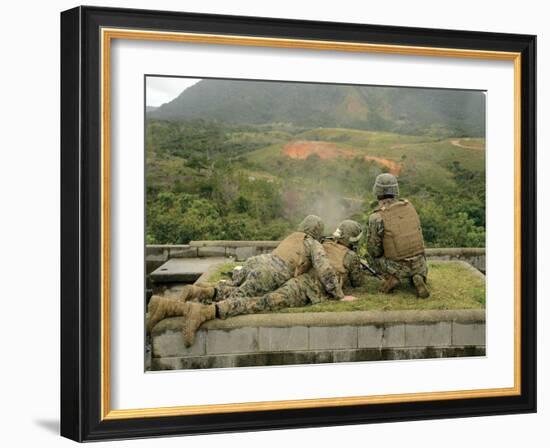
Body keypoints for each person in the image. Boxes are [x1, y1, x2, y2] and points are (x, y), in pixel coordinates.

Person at [146, 220, 365, 347]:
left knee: (251, 298)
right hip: (301, 289)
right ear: (353, 240)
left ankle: (168, 306)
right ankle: (203, 312)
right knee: (256, 303)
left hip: (289, 279)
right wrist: (339, 294)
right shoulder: (342, 254)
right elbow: (356, 280)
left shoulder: (315, 242)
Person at [366, 173, 430, 298]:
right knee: (416, 260)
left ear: (377, 191)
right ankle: (418, 276)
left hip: (397, 266)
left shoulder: (376, 217)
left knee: (369, 255)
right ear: (396, 190)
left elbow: (374, 250)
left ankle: (392, 278)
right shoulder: (409, 207)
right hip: (420, 263)